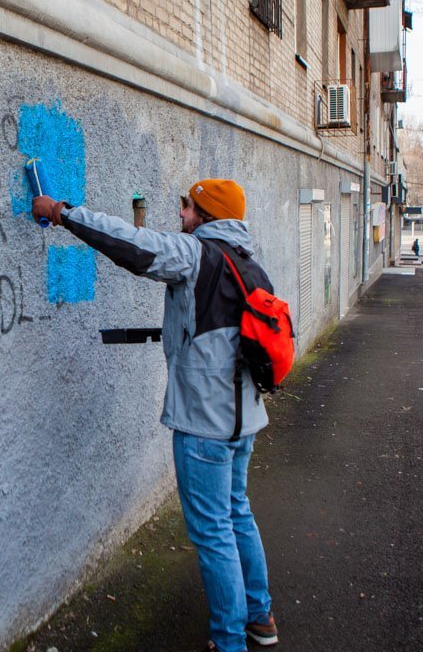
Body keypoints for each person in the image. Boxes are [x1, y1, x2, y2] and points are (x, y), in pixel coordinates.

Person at [32, 180, 279, 652]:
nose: (181, 214)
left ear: (205, 215)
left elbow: (133, 245)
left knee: (213, 533)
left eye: (187, 207)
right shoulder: (247, 263)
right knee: (237, 514)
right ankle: (260, 617)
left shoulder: (195, 254)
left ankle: (229, 641)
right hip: (243, 420)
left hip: (205, 426)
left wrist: (62, 212)